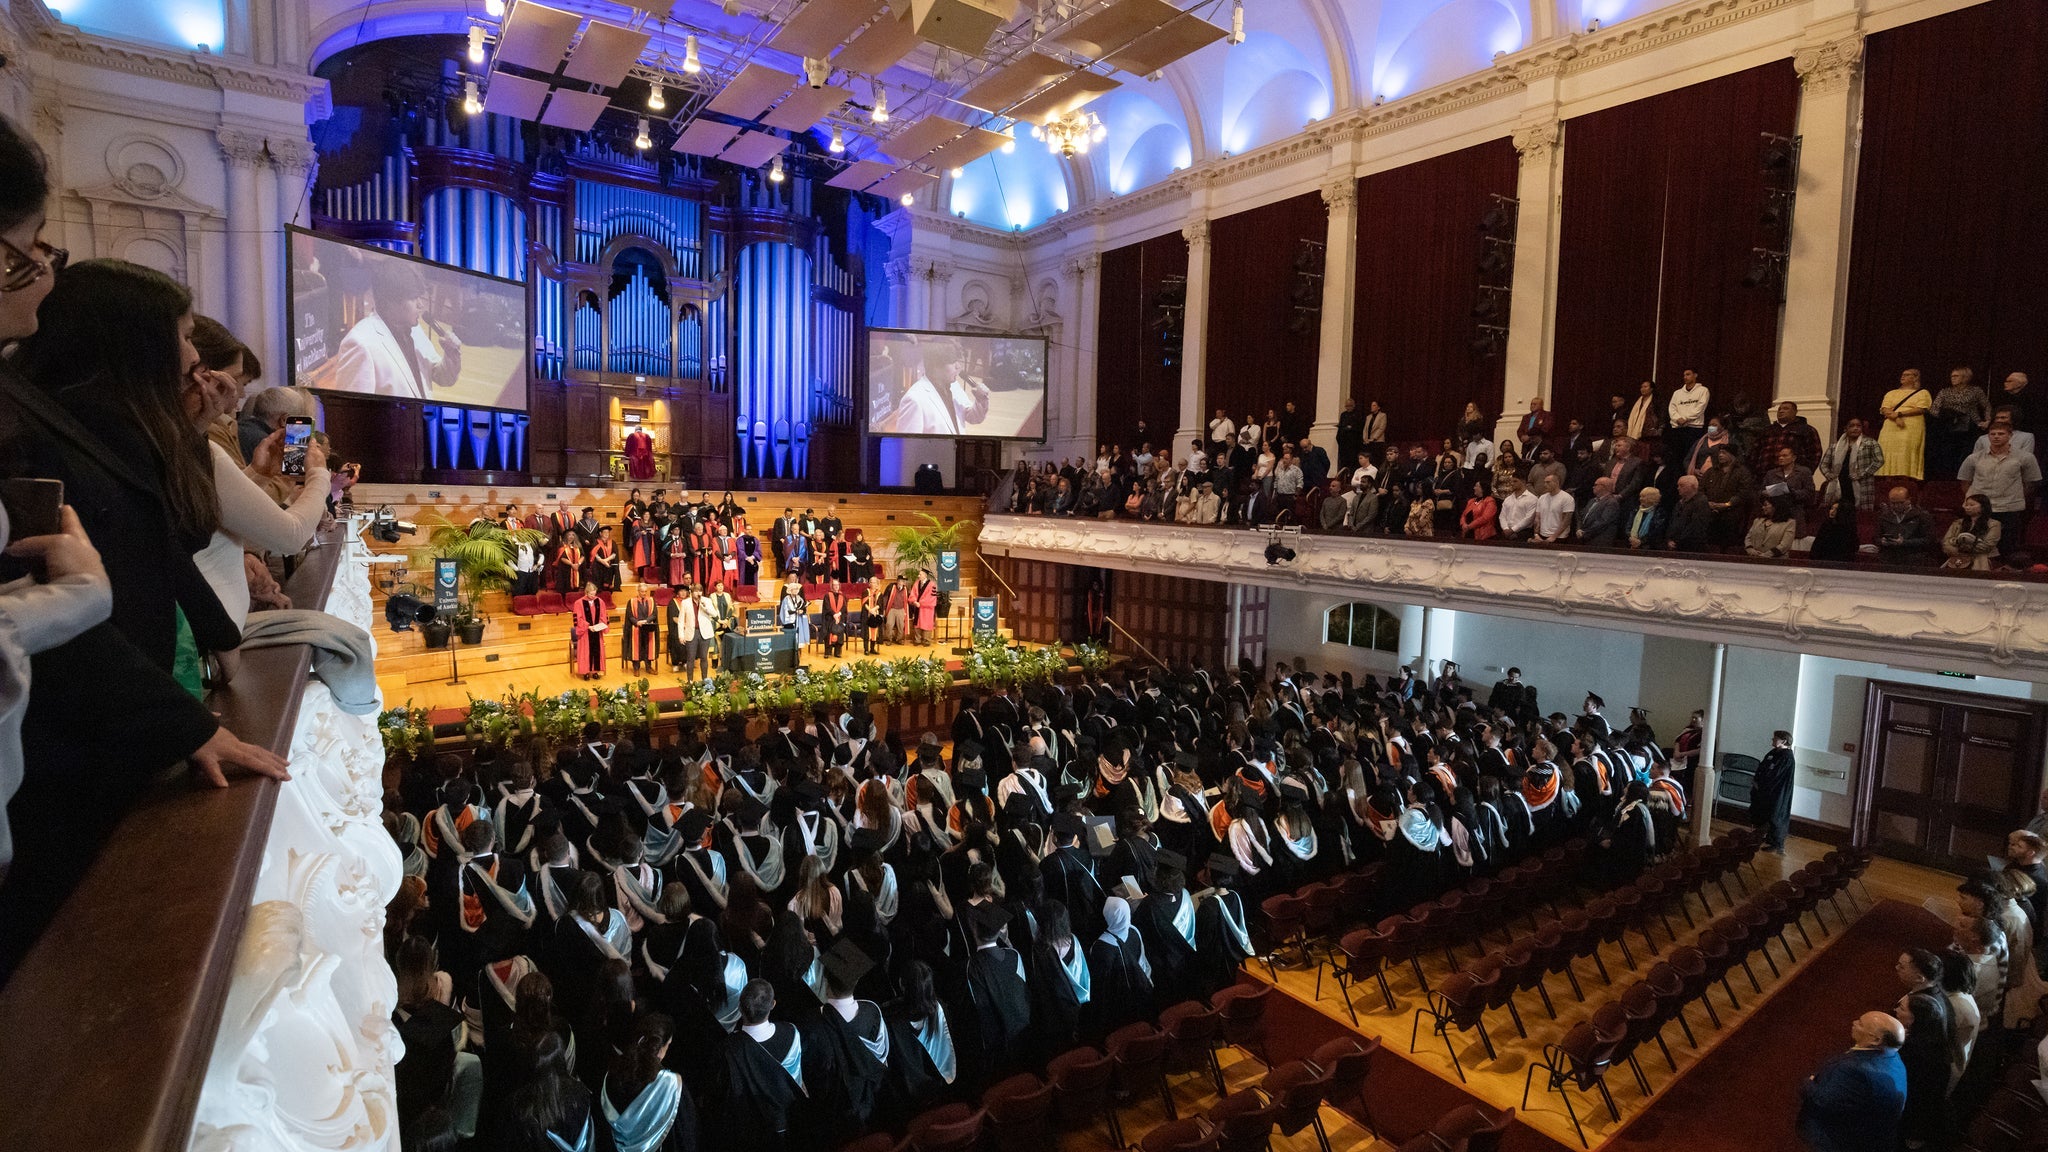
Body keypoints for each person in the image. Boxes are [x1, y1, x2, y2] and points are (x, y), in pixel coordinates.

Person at [1, 242, 289, 977]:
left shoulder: (100, 429)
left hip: (117, 723)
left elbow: (165, 550)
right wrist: (180, 722)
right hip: (66, 750)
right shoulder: (41, 435)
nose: (196, 357)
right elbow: (70, 626)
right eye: (186, 335)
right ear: (134, 344)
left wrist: (207, 678)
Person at [334, 259, 461, 399]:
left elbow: (441, 377)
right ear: (390, 301)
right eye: (413, 298)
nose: (421, 305)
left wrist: (450, 356)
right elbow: (351, 412)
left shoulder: (415, 329)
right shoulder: (360, 343)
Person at [1796, 1011, 1907, 1152]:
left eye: (1860, 1023)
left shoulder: (1853, 1070)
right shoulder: (1893, 1057)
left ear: (1875, 1040)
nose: (1854, 1023)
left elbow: (1822, 1101)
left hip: (1842, 1138)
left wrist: (1808, 1083)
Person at [1894, 947, 1953, 1148]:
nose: (1896, 968)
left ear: (1919, 978)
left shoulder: (1918, 1049)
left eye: (1902, 966)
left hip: (1916, 1107)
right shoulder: (1934, 998)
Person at [1959, 424, 2040, 563]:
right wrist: (1976, 501)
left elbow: (2031, 483)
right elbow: (1965, 481)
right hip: (1981, 510)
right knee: (1976, 546)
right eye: (1993, 434)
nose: (1996, 436)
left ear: (2010, 436)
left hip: (2009, 508)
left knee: (2007, 548)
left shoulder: (2025, 457)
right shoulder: (1974, 458)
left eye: (2001, 433)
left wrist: (2015, 497)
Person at [1931, 367, 1991, 478]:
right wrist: (1945, 416)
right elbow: (1934, 409)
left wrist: (1987, 421)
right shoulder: (1945, 392)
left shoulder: (1975, 391)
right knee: (1947, 454)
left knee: (1966, 454)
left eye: (1956, 376)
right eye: (1952, 376)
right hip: (1948, 427)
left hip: (1970, 426)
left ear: (1965, 377)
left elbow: (1986, 406)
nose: (1952, 378)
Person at [1877, 368, 1934, 480]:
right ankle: (1888, 481)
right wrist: (1896, 418)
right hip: (1891, 426)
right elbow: (1884, 409)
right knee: (1888, 450)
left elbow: (1921, 409)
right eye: (1902, 374)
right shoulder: (1891, 393)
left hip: (1911, 426)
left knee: (1906, 452)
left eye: (1907, 375)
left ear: (1915, 378)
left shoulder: (1923, 393)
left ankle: (1906, 481)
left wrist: (1899, 414)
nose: (1903, 376)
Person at [1819, 417, 1885, 509]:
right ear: (1845, 428)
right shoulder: (1835, 446)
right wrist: (1829, 474)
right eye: (1852, 426)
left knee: (1860, 514)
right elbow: (1824, 464)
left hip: (1861, 483)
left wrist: (1862, 474)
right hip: (1840, 483)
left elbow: (1879, 460)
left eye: (1858, 426)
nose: (1855, 428)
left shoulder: (1870, 443)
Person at [1749, 731, 1795, 852]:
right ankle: (1767, 837)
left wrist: (1762, 785)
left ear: (1784, 741)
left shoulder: (1787, 757)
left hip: (1776, 792)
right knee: (1764, 813)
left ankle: (1777, 843)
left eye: (1775, 738)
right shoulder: (1774, 752)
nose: (1772, 740)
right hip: (1765, 790)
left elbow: (1776, 775)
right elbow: (1764, 766)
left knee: (1775, 816)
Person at [1941, 493, 2001, 571]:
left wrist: (1966, 545)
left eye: (1972, 505)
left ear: (1983, 507)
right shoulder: (1957, 523)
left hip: (1985, 558)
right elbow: (1946, 543)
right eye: (1966, 505)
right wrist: (1959, 551)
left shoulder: (1994, 524)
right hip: (1958, 557)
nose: (1968, 507)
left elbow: (1988, 546)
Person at [1875, 487, 1935, 566]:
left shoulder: (1922, 516)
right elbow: (1876, 537)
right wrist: (1882, 541)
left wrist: (1905, 542)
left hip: (1914, 556)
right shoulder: (1884, 516)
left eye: (1901, 503)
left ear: (1909, 500)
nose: (1897, 506)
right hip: (1889, 556)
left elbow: (1929, 540)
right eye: (1893, 503)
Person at [1665, 370, 1710, 464]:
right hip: (1678, 428)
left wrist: (1685, 418)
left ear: (1695, 375)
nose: (1685, 377)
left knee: (1690, 456)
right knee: (1676, 457)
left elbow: (1700, 408)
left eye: (1688, 374)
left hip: (1694, 428)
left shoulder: (1703, 390)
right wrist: (1678, 419)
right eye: (1684, 375)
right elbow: (1671, 408)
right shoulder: (1677, 393)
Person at [1665, 474, 1712, 552]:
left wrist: (1678, 541)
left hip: (1691, 546)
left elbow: (1695, 526)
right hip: (1675, 545)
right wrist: (1669, 539)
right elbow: (1672, 522)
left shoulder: (1700, 503)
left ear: (1692, 486)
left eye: (1682, 486)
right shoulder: (1679, 503)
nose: (1678, 488)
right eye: (1678, 485)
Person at [571, 582, 607, 680]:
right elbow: (578, 618)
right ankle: (585, 672)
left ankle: (595, 671)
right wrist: (588, 626)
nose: (593, 596)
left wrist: (600, 624)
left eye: (594, 594)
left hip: (596, 632)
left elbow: (604, 615)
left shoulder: (600, 601)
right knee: (585, 652)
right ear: (586, 592)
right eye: (591, 594)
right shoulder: (579, 603)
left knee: (597, 651)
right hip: (585, 633)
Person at [1744, 494, 1797, 559]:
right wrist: (1750, 550)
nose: (1763, 507)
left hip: (1776, 561)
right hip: (1754, 559)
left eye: (1766, 505)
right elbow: (1748, 538)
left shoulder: (1789, 523)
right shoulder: (1757, 521)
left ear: (1775, 506)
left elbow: (1785, 545)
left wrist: (1766, 555)